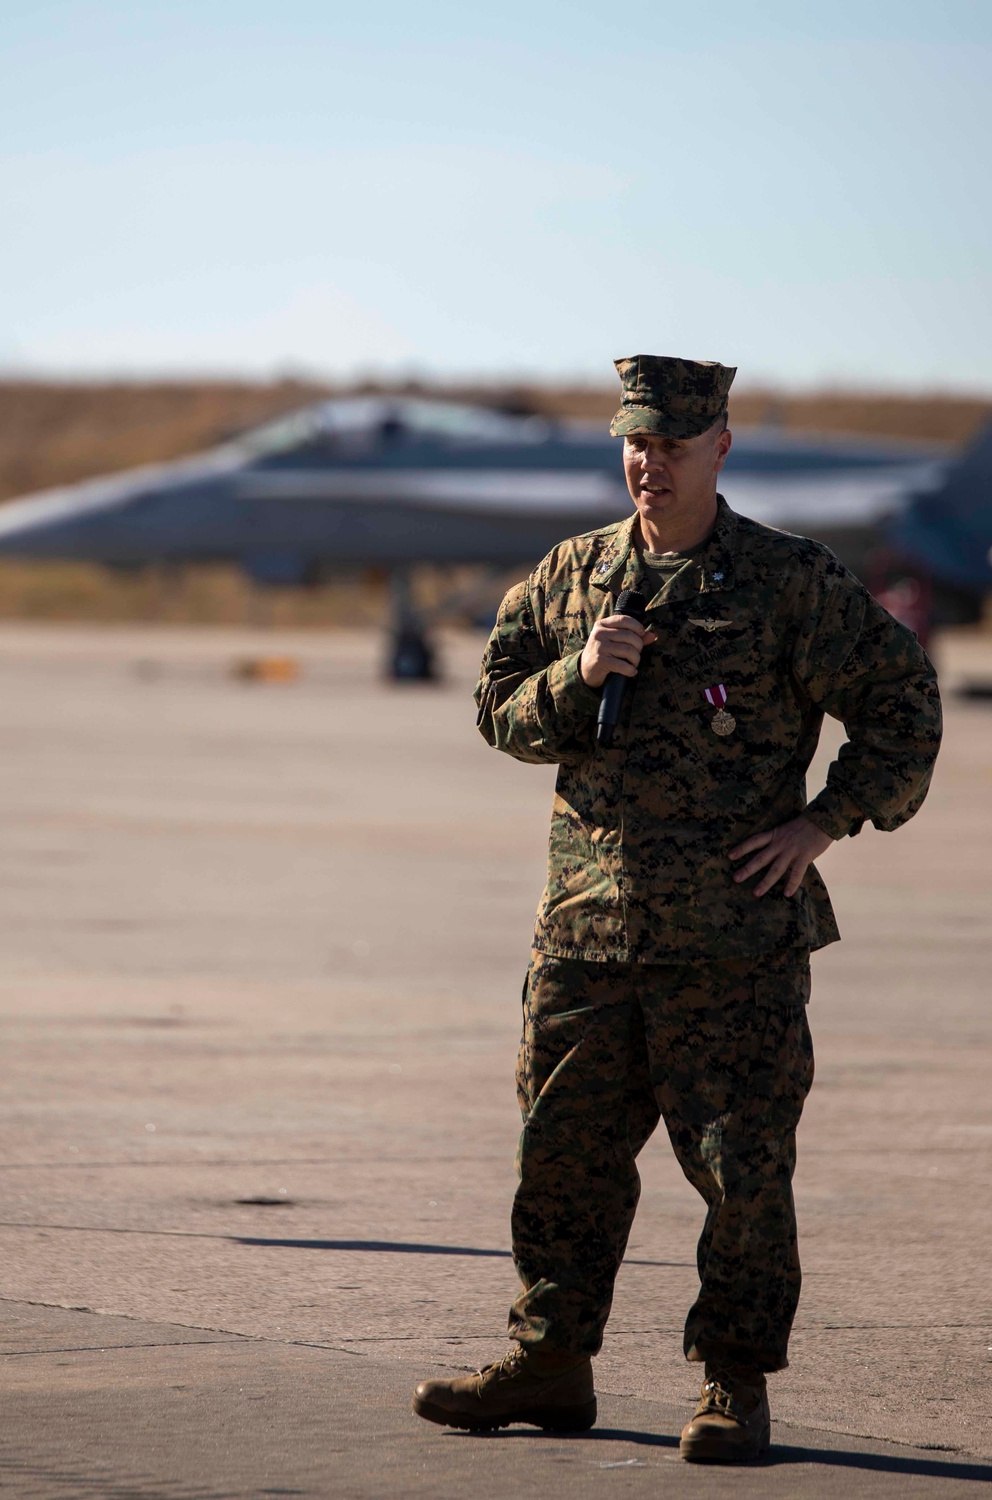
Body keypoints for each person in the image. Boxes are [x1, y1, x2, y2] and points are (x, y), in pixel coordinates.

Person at [412, 354, 942, 1462]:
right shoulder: (570, 577)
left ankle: (732, 1385)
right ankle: (551, 1361)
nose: (647, 463)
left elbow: (902, 702)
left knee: (740, 1169)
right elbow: (494, 708)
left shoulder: (786, 582)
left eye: (670, 444)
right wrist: (573, 677)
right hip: (586, 935)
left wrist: (823, 823)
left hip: (731, 944)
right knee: (561, 1159)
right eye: (633, 442)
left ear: (719, 449)